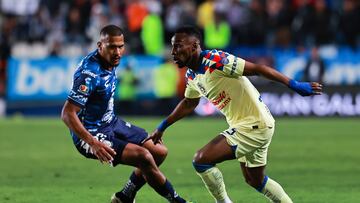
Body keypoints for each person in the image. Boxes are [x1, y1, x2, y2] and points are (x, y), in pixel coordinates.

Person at [149, 26, 322, 203]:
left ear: (194, 46)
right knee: (255, 180)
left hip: (254, 125)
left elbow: (258, 69)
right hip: (252, 125)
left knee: (201, 160)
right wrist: (163, 126)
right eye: (172, 47)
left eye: (178, 46)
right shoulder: (191, 75)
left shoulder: (216, 60)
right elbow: (189, 103)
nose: (173, 52)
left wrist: (293, 84)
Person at [61, 24, 190, 203]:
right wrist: (93, 142)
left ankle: (125, 196)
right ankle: (178, 201)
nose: (117, 52)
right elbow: (67, 113)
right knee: (144, 157)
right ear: (100, 46)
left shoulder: (110, 60)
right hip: (90, 133)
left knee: (159, 152)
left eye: (121, 46)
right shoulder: (89, 74)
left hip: (111, 123)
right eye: (112, 47)